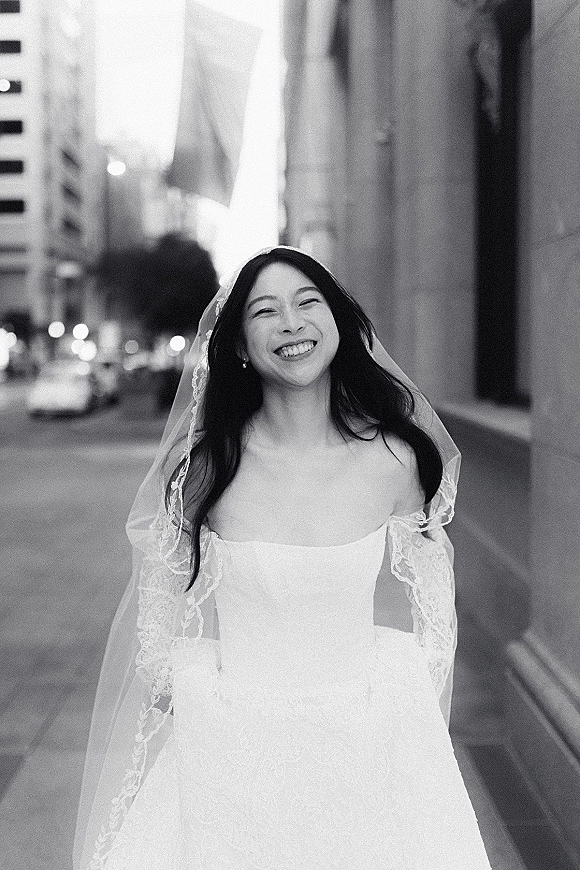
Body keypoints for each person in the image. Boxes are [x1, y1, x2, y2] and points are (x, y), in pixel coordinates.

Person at [74, 246, 492, 870]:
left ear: (338, 324)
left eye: (308, 303)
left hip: (363, 748)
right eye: (266, 311)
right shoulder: (205, 468)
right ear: (241, 345)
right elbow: (155, 607)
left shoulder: (397, 461)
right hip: (230, 751)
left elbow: (436, 605)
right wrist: (206, 701)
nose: (291, 324)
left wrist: (396, 705)